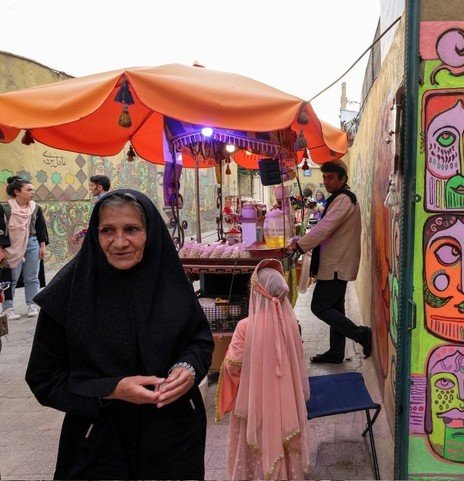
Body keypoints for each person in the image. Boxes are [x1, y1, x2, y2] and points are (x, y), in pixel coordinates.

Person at [25, 189, 214, 480]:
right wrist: (112, 389)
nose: (120, 242)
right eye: (107, 230)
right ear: (94, 234)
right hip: (98, 442)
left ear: (150, 232)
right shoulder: (69, 293)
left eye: (132, 229)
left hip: (174, 437)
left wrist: (188, 368)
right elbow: (44, 378)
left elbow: (199, 340)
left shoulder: (170, 281)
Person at [216, 259, 310, 480]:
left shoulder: (245, 326)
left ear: (256, 293)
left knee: (253, 441)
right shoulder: (291, 324)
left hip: (253, 401)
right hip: (286, 402)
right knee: (283, 439)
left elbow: (232, 365)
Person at [286, 160, 371, 363]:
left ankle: (362, 335)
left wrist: (299, 245)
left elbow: (325, 227)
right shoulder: (339, 198)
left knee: (319, 307)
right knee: (336, 308)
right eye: (324, 177)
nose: (326, 181)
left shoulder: (343, 199)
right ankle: (336, 352)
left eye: (330, 177)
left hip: (336, 264)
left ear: (343, 178)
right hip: (335, 262)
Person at [0, 176, 48, 320]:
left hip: (32, 243)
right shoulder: (4, 208)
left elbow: (40, 228)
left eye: (33, 189)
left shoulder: (35, 208)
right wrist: (0, 250)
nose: (33, 192)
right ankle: (8, 308)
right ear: (17, 192)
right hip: (11, 247)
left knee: (32, 277)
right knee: (11, 278)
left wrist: (42, 246)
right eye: (29, 189)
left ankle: (32, 304)